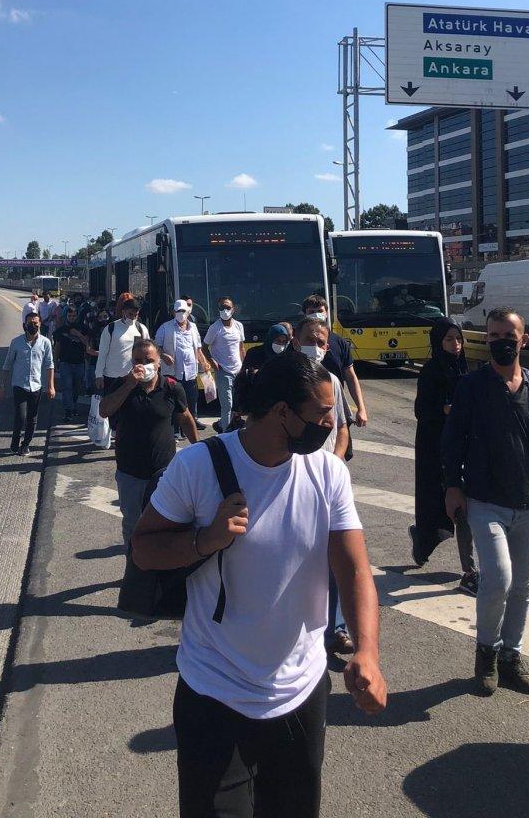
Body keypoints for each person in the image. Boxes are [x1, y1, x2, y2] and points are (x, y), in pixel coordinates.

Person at [132, 352, 387, 818]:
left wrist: (367, 651)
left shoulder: (328, 473)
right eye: (321, 413)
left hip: (300, 692)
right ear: (283, 413)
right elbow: (144, 550)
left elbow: (354, 570)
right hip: (214, 689)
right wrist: (205, 540)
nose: (331, 423)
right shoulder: (197, 467)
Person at [442, 307, 529, 697]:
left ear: (524, 339)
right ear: (486, 340)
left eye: (509, 334)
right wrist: (453, 486)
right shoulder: (472, 387)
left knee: (523, 585)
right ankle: (485, 653)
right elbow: (452, 440)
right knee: (498, 578)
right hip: (485, 501)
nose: (502, 341)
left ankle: (511, 658)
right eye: (495, 335)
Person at [100, 339, 199, 550]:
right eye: (137, 360)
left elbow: (185, 416)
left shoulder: (172, 388)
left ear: (159, 363)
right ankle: (135, 572)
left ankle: (160, 569)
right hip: (130, 473)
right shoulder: (122, 384)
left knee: (166, 523)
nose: (143, 364)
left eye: (149, 360)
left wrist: (198, 447)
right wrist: (129, 384)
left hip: (164, 472)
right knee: (133, 525)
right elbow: (104, 410)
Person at [293, 317, 353, 656]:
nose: (315, 344)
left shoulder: (332, 379)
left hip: (327, 480)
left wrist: (336, 461)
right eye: (308, 338)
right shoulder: (286, 379)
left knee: (336, 557)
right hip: (292, 480)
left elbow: (342, 428)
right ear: (295, 340)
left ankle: (336, 630)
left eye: (320, 339)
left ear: (328, 346)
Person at [410, 318, 478, 594]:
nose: (456, 344)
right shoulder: (430, 371)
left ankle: (470, 571)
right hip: (433, 445)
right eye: (449, 339)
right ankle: (422, 538)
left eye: (458, 339)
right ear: (438, 342)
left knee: (463, 507)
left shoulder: (466, 370)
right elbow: (421, 411)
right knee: (434, 502)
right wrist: (444, 409)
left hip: (463, 446)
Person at [299, 295, 368, 430]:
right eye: (311, 312)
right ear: (304, 314)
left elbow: (351, 377)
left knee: (343, 448)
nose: (316, 315)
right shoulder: (296, 342)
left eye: (320, 310)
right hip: (305, 411)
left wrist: (361, 408)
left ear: (326, 313)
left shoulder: (340, 343)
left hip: (336, 409)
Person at [0, 311, 55, 454]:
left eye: (35, 323)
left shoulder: (45, 343)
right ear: (25, 325)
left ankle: (26, 444)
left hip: (36, 386)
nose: (33, 325)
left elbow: (50, 365)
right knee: (20, 416)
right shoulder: (16, 342)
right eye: (30, 323)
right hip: (19, 385)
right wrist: (2, 386)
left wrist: (51, 386)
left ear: (40, 324)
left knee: (32, 418)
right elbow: (7, 365)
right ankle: (15, 440)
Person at [156, 300, 211, 433]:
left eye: (183, 311)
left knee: (190, 402)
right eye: (178, 311)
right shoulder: (165, 327)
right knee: (173, 403)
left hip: (190, 373)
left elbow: (198, 349)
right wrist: (163, 356)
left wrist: (204, 363)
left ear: (188, 312)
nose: (181, 314)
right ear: (173, 312)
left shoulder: (193, 327)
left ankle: (187, 430)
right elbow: (156, 346)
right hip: (173, 373)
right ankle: (174, 430)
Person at [203, 296, 245, 433]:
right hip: (223, 371)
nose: (225, 310)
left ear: (233, 309)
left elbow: (241, 348)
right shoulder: (214, 328)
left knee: (237, 404)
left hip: (238, 370)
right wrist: (211, 361)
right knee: (227, 405)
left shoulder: (239, 326)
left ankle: (223, 424)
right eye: (222, 307)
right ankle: (226, 435)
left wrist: (244, 366)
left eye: (227, 307)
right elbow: (204, 347)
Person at [232, 323, 292, 416]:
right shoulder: (255, 353)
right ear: (270, 338)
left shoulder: (286, 356)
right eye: (277, 341)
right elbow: (242, 379)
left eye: (283, 342)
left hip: (278, 404)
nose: (280, 344)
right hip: (257, 402)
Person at [94, 295, 150, 394]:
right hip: (112, 377)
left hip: (134, 377)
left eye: (135, 315)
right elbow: (103, 353)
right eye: (130, 314)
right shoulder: (111, 328)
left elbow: (147, 353)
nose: (133, 317)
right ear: (123, 311)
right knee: (112, 408)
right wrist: (99, 375)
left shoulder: (141, 329)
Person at [52, 303, 88, 420]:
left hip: (79, 363)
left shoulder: (82, 328)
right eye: (70, 316)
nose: (72, 317)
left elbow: (87, 343)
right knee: (67, 387)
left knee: (76, 387)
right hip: (65, 363)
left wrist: (78, 335)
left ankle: (73, 406)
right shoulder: (61, 330)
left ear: (77, 316)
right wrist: (55, 360)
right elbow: (58, 346)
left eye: (74, 316)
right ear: (66, 316)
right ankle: (69, 410)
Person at [81, 301, 111, 396]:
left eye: (105, 317)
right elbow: (88, 349)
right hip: (95, 363)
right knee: (97, 391)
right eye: (100, 317)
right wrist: (103, 353)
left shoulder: (113, 332)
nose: (103, 319)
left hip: (110, 365)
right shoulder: (92, 332)